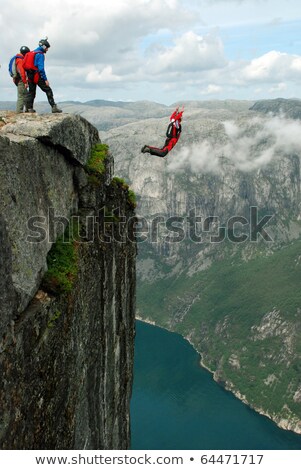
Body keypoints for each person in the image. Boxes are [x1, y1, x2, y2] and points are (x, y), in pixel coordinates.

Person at [24, 38, 62, 113]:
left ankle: (29, 108)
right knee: (48, 90)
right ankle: (54, 107)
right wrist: (45, 79)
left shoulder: (31, 53)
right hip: (36, 75)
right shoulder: (40, 55)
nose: (47, 49)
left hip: (29, 75)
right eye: (47, 48)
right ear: (44, 47)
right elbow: (41, 68)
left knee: (31, 91)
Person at [11, 46, 30, 113]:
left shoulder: (17, 58)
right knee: (22, 95)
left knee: (25, 94)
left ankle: (28, 109)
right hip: (21, 80)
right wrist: (25, 82)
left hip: (18, 79)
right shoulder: (20, 60)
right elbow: (21, 72)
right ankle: (19, 111)